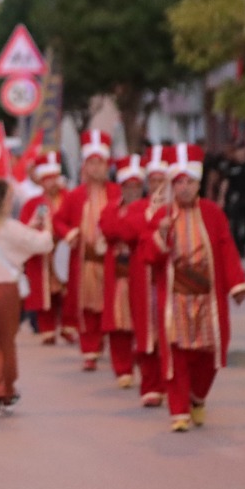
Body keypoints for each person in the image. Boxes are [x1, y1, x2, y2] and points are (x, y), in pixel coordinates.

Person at [138, 143, 245, 432]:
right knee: (177, 355)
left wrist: (237, 283)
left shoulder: (213, 213)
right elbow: (148, 257)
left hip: (208, 299)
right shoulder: (161, 216)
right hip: (176, 299)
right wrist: (160, 237)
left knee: (208, 355)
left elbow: (226, 249)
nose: (184, 188)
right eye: (179, 183)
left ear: (198, 184)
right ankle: (179, 411)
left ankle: (197, 397)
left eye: (189, 182)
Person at [0, 178, 54, 417]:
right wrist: (46, 225)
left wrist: (29, 224)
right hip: (4, 291)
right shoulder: (9, 226)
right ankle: (7, 391)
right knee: (6, 343)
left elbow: (9, 242)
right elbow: (42, 244)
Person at [55, 131, 117, 372]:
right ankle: (89, 350)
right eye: (90, 162)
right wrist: (69, 233)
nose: (95, 168)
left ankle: (110, 345)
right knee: (87, 305)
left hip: (111, 260)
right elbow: (59, 221)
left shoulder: (115, 193)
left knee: (111, 304)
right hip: (84, 261)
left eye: (99, 163)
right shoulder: (74, 196)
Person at [119, 147, 173, 407]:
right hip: (142, 281)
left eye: (163, 180)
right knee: (146, 333)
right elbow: (128, 231)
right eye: (153, 181)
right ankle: (150, 384)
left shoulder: (178, 209)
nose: (158, 186)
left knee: (170, 333)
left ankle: (169, 383)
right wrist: (151, 219)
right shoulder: (139, 208)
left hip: (170, 283)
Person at [97, 154, 144, 389]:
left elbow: (133, 232)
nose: (132, 191)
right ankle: (122, 367)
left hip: (140, 274)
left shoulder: (148, 208)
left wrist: (126, 228)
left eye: (137, 186)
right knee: (116, 324)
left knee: (142, 321)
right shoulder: (111, 208)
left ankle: (140, 365)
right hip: (116, 275)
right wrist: (128, 227)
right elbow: (107, 227)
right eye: (128, 186)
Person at [20, 153, 67, 344]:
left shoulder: (68, 198)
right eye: (47, 179)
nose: (52, 183)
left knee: (65, 292)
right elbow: (23, 227)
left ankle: (65, 326)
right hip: (43, 255)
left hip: (63, 250)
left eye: (54, 178)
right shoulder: (33, 203)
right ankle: (47, 329)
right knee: (45, 293)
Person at [221, 141, 245, 256]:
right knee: (236, 224)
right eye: (239, 152)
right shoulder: (230, 166)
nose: (242, 154)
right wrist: (222, 198)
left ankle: (243, 243)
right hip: (235, 198)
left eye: (244, 152)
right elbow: (225, 183)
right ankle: (239, 247)